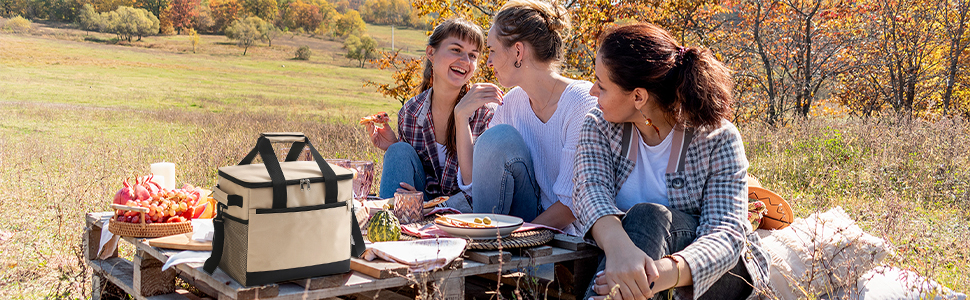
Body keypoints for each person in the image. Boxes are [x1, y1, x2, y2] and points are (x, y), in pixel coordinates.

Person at [573, 23, 770, 300]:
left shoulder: (717, 138)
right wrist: (621, 252)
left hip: (716, 271)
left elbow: (725, 234)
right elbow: (589, 191)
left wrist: (659, 273)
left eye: (601, 85)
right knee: (640, 224)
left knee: (648, 215)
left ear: (638, 96)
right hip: (625, 265)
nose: (593, 92)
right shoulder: (600, 125)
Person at [452, 0, 598, 234]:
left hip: (569, 237)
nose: (488, 62)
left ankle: (490, 248)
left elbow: (573, 205)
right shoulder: (512, 102)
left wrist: (519, 235)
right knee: (496, 139)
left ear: (518, 51)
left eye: (491, 50)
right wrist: (461, 116)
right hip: (524, 224)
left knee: (497, 137)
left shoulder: (581, 103)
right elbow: (474, 182)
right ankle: (487, 249)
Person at [366, 18, 493, 202]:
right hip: (422, 205)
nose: (465, 61)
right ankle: (391, 225)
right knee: (398, 151)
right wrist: (395, 146)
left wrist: (433, 207)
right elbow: (411, 180)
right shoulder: (410, 112)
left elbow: (479, 189)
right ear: (431, 53)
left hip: (466, 212)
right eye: (456, 50)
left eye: (473, 55)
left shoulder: (485, 112)